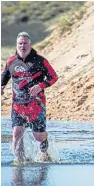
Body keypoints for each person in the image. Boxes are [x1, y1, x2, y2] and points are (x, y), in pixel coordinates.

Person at [1, 32, 58, 163]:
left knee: (39, 136)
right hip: (17, 105)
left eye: (25, 43)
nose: (22, 46)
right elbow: (4, 76)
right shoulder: (11, 61)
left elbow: (53, 77)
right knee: (17, 132)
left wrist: (40, 86)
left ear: (30, 44)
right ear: (17, 45)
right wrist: (2, 86)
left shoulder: (40, 61)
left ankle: (44, 153)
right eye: (20, 43)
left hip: (36, 105)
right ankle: (19, 162)